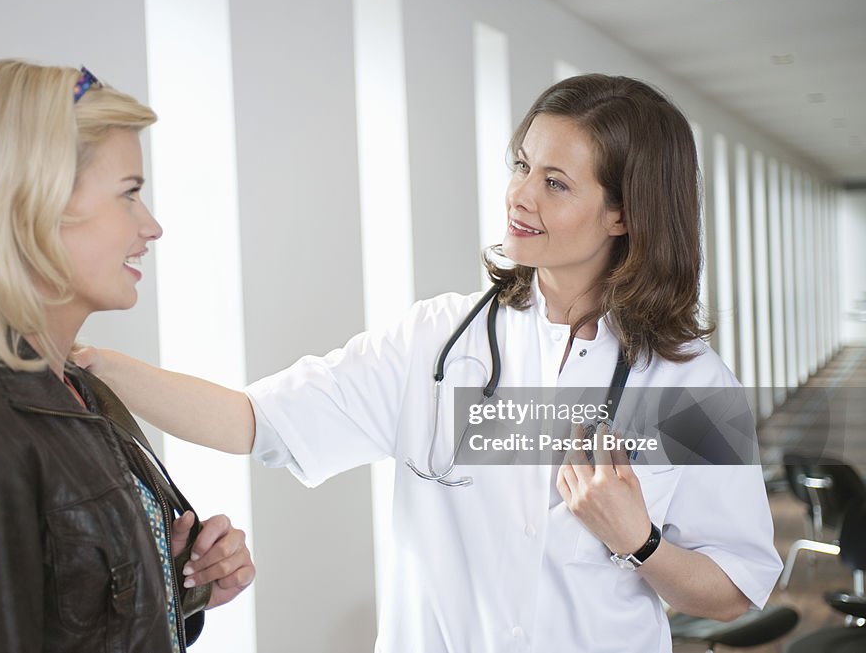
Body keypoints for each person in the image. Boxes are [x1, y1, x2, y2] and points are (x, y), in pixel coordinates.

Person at [76, 74, 782, 652]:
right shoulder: (436, 343)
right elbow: (254, 421)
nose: (520, 195)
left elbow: (731, 589)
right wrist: (91, 362)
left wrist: (640, 540)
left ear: (622, 214)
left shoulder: (688, 383)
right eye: (521, 165)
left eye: (556, 182)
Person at [0, 59, 254, 653]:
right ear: (32, 208)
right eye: (129, 195)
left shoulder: (77, 392)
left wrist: (173, 583)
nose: (152, 227)